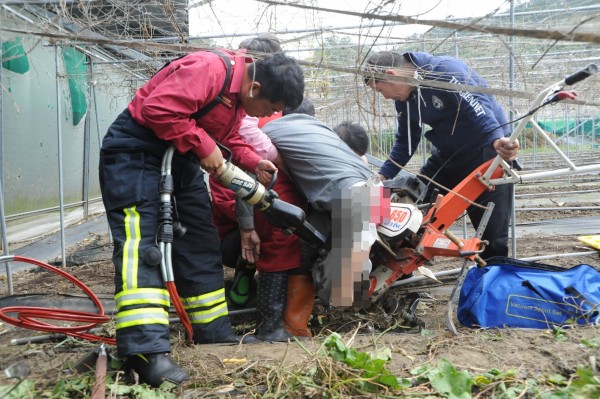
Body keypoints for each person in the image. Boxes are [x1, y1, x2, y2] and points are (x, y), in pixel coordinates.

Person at [99, 49, 304, 387]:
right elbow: (157, 109)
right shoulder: (209, 69)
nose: (267, 115)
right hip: (136, 154)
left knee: (200, 241)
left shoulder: (238, 99)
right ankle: (144, 353)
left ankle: (212, 331)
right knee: (145, 244)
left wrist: (252, 161)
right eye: (268, 109)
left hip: (180, 159)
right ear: (255, 88)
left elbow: (230, 134)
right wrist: (202, 144)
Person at [363, 51, 520, 259]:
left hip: (485, 151)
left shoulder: (443, 71)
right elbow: (405, 142)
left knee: (490, 231)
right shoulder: (404, 100)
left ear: (392, 74)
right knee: (413, 201)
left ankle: (494, 276)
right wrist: (379, 179)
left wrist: (496, 139)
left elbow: (476, 105)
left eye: (381, 90)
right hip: (448, 155)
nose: (385, 97)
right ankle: (393, 258)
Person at [209, 35, 283, 307]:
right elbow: (235, 138)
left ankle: (272, 277)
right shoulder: (233, 99)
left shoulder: (274, 107)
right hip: (231, 181)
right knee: (258, 220)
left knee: (275, 217)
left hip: (258, 176)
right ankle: (245, 269)